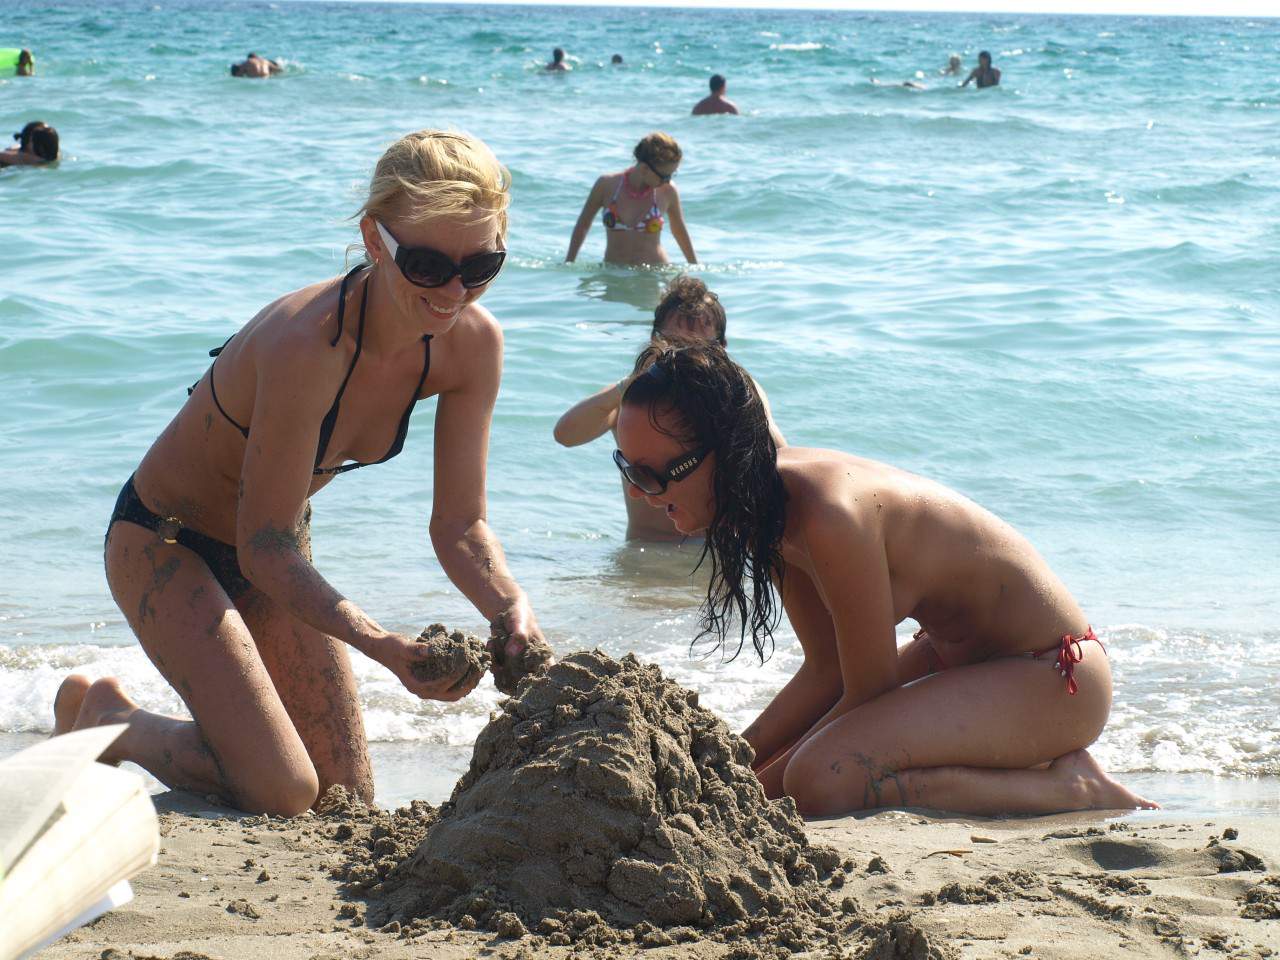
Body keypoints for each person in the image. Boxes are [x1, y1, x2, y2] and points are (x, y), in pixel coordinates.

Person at [52, 130, 547, 817]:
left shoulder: (473, 345)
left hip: (277, 548)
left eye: (483, 264)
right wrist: (383, 646)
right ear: (375, 240)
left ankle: (170, 733)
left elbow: (460, 524)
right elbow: (263, 546)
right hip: (164, 542)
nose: (456, 290)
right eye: (428, 265)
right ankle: (113, 722)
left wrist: (509, 607)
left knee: (344, 795)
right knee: (283, 790)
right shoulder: (307, 344)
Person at [612, 341, 1157, 818]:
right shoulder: (765, 513)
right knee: (796, 772)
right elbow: (826, 670)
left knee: (819, 781)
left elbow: (868, 691)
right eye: (627, 468)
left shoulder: (829, 515)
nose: (637, 492)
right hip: (962, 665)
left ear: (723, 455)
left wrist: (741, 797)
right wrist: (725, 763)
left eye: (652, 473)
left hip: (1054, 676)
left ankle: (1068, 788)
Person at [554, 277, 782, 541]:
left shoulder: (734, 394)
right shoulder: (635, 399)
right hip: (645, 549)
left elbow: (777, 454)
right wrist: (627, 386)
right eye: (674, 343)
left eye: (699, 348)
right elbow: (565, 435)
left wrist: (740, 401)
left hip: (712, 550)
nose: (683, 356)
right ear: (654, 340)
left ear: (721, 349)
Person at [565, 132, 696, 267]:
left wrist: (694, 266)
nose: (667, 181)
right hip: (613, 272)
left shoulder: (668, 191)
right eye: (664, 176)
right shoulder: (606, 185)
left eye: (672, 175)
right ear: (644, 169)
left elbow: (679, 230)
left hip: (654, 272)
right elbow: (583, 224)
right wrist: (569, 262)